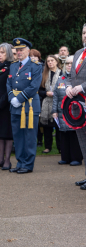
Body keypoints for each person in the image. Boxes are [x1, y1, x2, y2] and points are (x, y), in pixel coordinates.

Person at [7, 38, 42, 174]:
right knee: (18, 136)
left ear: (28, 50)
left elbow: (34, 86)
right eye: (17, 50)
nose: (19, 52)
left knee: (29, 136)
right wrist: (11, 98)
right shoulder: (14, 65)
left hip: (29, 106)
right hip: (15, 106)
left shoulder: (36, 66)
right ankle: (20, 162)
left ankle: (28, 164)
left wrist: (19, 98)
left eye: (21, 49)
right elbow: (9, 83)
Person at [65, 24, 86, 190]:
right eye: (84, 32)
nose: (85, 35)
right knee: (83, 141)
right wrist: (67, 87)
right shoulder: (78, 53)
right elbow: (69, 76)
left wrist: (82, 88)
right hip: (77, 107)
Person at [52, 56, 83, 166]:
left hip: (76, 113)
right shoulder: (60, 79)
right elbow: (55, 96)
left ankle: (76, 158)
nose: (69, 65)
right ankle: (65, 157)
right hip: (62, 113)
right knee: (64, 135)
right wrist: (54, 111)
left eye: (71, 63)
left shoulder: (79, 79)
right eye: (67, 63)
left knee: (74, 135)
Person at [38, 55, 62, 154]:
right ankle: (48, 147)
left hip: (58, 102)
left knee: (58, 126)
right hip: (46, 103)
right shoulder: (44, 74)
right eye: (48, 61)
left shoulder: (62, 73)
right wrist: (46, 93)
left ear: (56, 62)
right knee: (47, 126)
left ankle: (60, 147)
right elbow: (39, 90)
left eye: (52, 60)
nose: (50, 63)